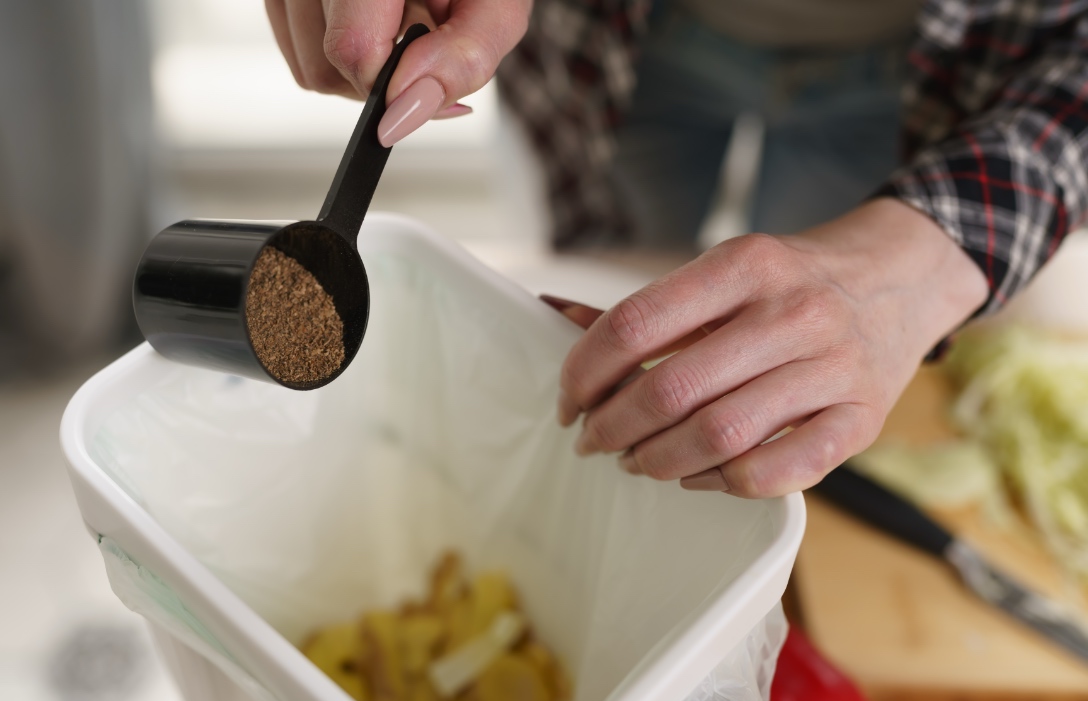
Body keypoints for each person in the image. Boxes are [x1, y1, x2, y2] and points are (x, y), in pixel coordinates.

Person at [264, 0, 1087, 497]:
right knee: (614, 278)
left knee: (783, 373)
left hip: (952, 66)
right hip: (603, 37)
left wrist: (926, 256)